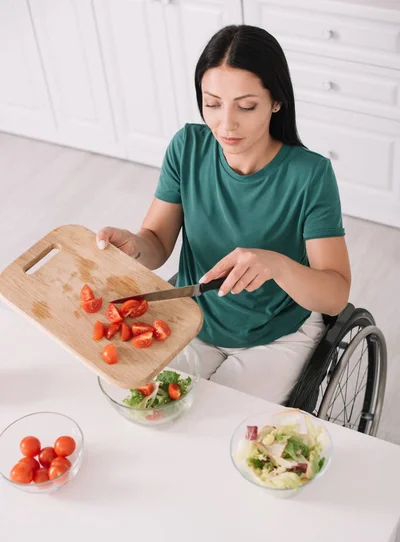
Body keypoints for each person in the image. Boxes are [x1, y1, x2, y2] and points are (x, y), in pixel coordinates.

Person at [96, 25, 351, 405]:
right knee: (147, 405)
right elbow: (157, 243)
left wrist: (276, 265)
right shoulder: (187, 147)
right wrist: (134, 246)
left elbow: (334, 295)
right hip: (192, 317)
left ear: (276, 102)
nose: (226, 124)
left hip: (277, 334)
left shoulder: (310, 174)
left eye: (246, 106)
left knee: (215, 422)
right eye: (212, 103)